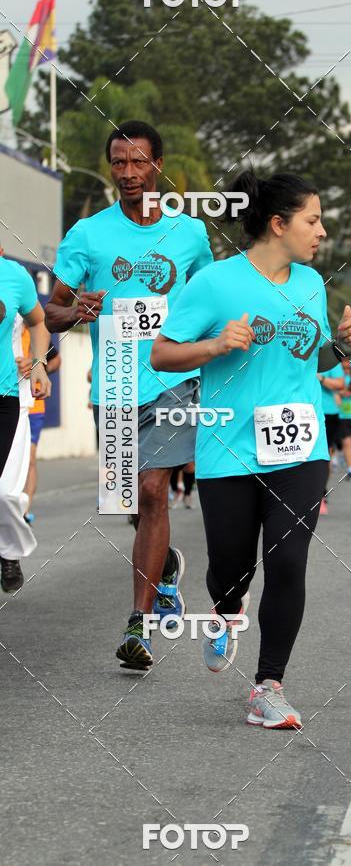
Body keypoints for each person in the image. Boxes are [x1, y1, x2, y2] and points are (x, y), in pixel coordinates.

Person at [151, 170, 351, 728]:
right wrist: (216, 344)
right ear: (278, 224)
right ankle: (225, 611)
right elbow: (161, 355)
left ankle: (269, 685)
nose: (321, 231)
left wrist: (339, 348)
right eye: (312, 220)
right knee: (229, 565)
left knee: (288, 561)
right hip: (228, 448)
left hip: (300, 445)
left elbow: (311, 357)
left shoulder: (311, 284)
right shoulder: (216, 284)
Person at [44, 120, 213, 669]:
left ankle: (136, 625)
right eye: (118, 162)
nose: (127, 172)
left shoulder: (190, 235)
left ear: (157, 166)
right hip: (113, 380)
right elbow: (50, 308)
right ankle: (165, 567)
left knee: (154, 489)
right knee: (132, 502)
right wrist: (76, 311)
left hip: (170, 379)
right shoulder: (88, 234)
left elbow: (209, 300)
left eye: (138, 162)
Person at [0, 254, 52, 592]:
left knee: (4, 492)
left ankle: (8, 551)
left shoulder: (13, 276)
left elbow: (39, 322)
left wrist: (38, 363)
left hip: (5, 395)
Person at [20, 325, 61, 523]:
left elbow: (56, 360)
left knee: (29, 459)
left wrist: (39, 366)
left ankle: (24, 510)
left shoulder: (35, 332)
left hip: (34, 405)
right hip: (8, 401)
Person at [318, 363, 345, 513]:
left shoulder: (329, 358)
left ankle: (321, 493)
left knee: (324, 454)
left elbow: (340, 384)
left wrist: (320, 378)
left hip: (328, 412)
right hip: (301, 410)